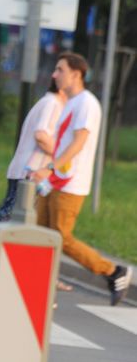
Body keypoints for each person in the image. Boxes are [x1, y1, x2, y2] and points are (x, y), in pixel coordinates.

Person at [32, 52, 132, 306]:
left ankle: (113, 272)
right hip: (56, 180)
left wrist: (52, 167)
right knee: (40, 233)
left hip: (70, 183)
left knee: (61, 238)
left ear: (76, 74)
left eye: (60, 69)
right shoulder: (72, 102)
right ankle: (41, 288)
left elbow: (79, 142)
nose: (54, 75)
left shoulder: (86, 103)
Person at [0, 78, 66, 225]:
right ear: (61, 89)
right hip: (30, 173)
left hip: (24, 170)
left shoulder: (46, 102)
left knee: (9, 219)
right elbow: (41, 135)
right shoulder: (53, 104)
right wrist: (64, 157)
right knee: (7, 220)